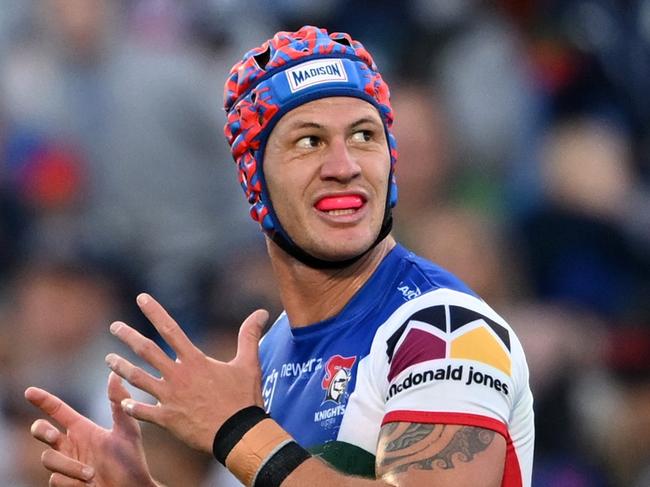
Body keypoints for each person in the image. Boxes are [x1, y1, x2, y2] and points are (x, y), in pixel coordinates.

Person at [25, 26, 534, 486]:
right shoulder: (268, 358)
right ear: (255, 181)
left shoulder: (446, 330)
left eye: (364, 135)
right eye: (309, 141)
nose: (345, 165)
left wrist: (237, 430)